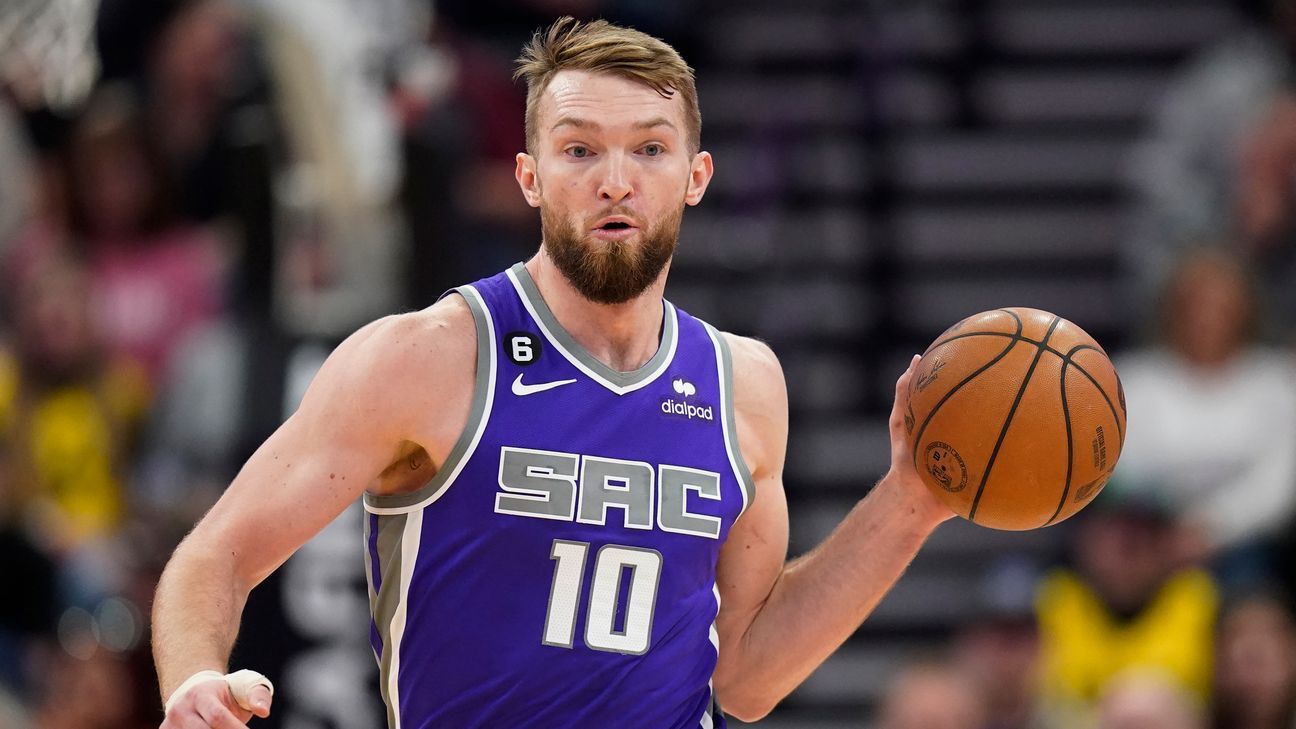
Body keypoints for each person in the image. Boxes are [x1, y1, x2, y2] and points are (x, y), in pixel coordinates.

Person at [151, 17, 954, 728]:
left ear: (696, 177)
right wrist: (192, 678)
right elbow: (213, 557)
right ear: (529, 176)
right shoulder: (425, 358)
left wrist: (911, 501)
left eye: (649, 147)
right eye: (579, 148)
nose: (615, 179)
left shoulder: (744, 383)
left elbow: (743, 677)